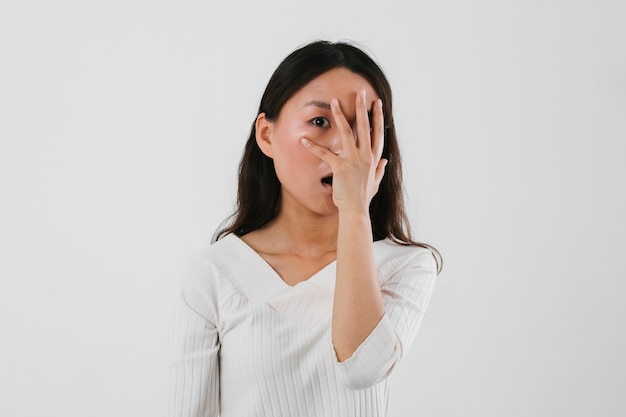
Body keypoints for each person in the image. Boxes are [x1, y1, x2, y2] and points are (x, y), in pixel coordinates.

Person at [167, 39, 442, 417]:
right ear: (266, 135)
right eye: (320, 122)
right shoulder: (213, 274)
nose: (344, 147)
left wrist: (355, 211)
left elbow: (362, 369)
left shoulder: (406, 265)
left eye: (360, 127)